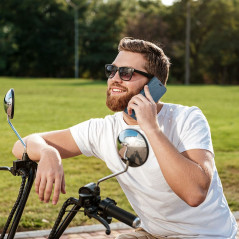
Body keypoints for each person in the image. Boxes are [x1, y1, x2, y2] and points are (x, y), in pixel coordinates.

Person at [12, 37, 238, 238]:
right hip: (153, 233)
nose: (114, 79)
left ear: (155, 85)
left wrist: (151, 128)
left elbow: (194, 193)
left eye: (126, 72)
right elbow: (21, 144)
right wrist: (48, 152)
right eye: (112, 70)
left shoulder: (187, 119)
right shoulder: (103, 129)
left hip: (208, 234)